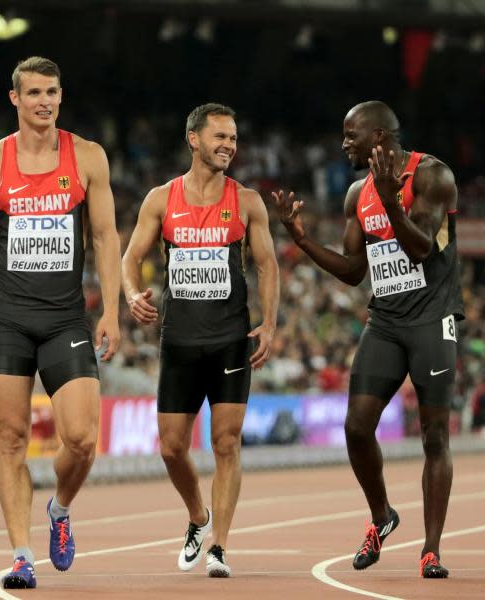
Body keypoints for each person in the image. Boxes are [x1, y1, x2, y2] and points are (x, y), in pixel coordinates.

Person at [273, 100, 463, 579]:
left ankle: (432, 549)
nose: (343, 144)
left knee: (434, 435)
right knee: (357, 427)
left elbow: (420, 247)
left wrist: (391, 198)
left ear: (379, 136)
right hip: (386, 322)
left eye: (350, 135)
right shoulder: (357, 192)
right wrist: (302, 241)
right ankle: (383, 516)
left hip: (432, 319)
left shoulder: (433, 176)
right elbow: (355, 271)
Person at [0, 56, 121, 590]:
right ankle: (22, 554)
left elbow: (104, 238)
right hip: (6, 317)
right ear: (15, 99)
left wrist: (112, 311)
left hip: (64, 318)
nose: (44, 101)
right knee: (11, 438)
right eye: (34, 93)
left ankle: (60, 508)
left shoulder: (87, 157)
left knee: (81, 438)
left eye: (52, 91)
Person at [121, 103, 279, 578]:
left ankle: (220, 547)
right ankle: (197, 515)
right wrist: (132, 295)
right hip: (180, 341)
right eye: (220, 137)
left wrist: (269, 324)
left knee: (226, 443)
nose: (229, 145)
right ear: (194, 139)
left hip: (231, 339)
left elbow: (268, 265)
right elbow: (130, 259)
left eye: (233, 138)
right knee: (171, 447)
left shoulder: (247, 201)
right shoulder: (161, 199)